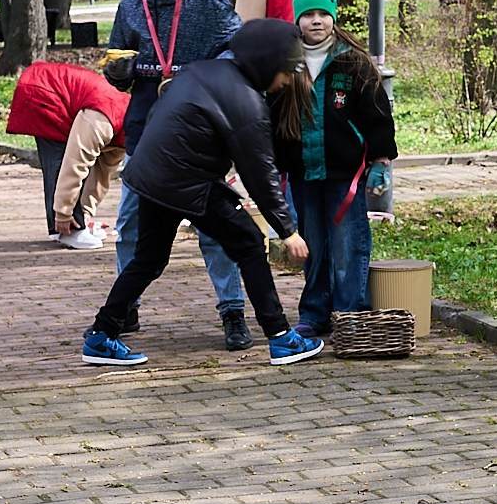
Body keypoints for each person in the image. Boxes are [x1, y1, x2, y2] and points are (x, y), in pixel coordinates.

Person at [84, 23, 322, 368]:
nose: (286, 81)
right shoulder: (246, 102)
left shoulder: (204, 68)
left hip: (151, 174)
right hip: (185, 181)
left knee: (148, 260)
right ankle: (281, 337)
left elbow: (161, 111)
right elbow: (260, 176)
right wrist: (288, 230)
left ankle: (101, 335)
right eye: (286, 72)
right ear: (269, 64)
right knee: (250, 244)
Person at [107, 0, 254, 347]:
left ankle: (232, 312)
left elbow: (237, 48)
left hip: (196, 136)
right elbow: (118, 59)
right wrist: (120, 69)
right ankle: (125, 306)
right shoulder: (131, 7)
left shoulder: (206, 3)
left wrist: (204, 74)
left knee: (214, 228)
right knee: (130, 224)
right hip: (145, 134)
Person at [280, 0, 395, 337]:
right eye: (308, 14)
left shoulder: (353, 63)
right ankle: (315, 312)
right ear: (297, 20)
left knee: (348, 244)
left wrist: (380, 161)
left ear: (333, 18)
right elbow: (271, 115)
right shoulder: (286, 62)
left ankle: (351, 313)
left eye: (323, 14)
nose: (316, 21)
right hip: (302, 170)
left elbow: (377, 115)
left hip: (345, 171)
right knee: (312, 244)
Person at [6, 59, 129, 249]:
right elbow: (75, 164)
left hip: (56, 93)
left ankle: (73, 226)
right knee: (61, 161)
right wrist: (64, 212)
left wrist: (85, 215)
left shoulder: (126, 130)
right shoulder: (104, 118)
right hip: (42, 91)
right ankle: (68, 230)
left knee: (68, 164)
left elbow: (101, 176)